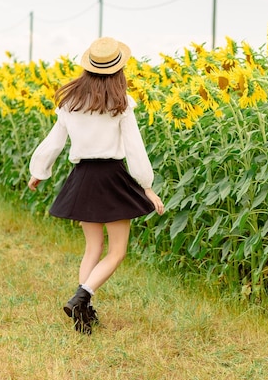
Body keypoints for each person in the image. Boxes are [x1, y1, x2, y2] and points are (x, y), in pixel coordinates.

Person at [27, 36, 165, 334]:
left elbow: (54, 141)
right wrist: (147, 186)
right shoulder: (121, 103)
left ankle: (83, 312)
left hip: (83, 178)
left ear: (88, 68)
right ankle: (82, 297)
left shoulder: (70, 102)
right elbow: (134, 147)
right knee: (116, 252)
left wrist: (40, 170)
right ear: (118, 71)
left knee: (93, 248)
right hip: (111, 176)